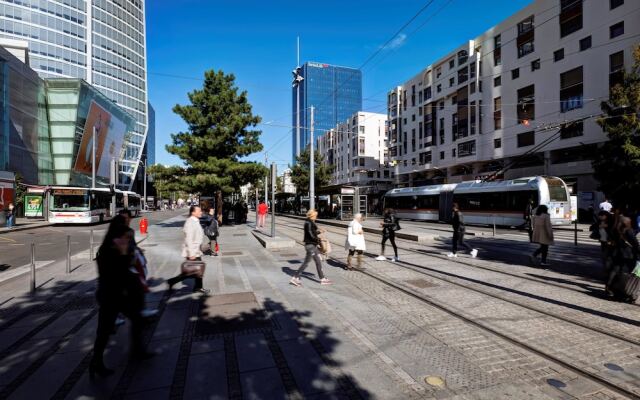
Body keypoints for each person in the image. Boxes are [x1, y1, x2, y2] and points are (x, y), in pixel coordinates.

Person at [91, 215, 151, 377]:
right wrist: (125, 255)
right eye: (125, 237)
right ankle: (96, 363)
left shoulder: (116, 248)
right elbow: (114, 273)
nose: (128, 240)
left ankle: (137, 350)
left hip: (120, 295)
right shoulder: (107, 250)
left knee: (136, 320)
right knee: (104, 331)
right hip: (110, 295)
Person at [167, 206, 210, 294]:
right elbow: (189, 239)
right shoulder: (190, 222)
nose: (201, 212)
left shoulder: (195, 221)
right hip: (192, 251)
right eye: (199, 211)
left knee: (196, 269)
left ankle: (197, 287)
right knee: (193, 270)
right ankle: (196, 287)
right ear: (193, 212)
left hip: (196, 250)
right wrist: (191, 253)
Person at [289, 209, 332, 286]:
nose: (316, 216)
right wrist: (319, 240)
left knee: (318, 261)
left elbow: (312, 233)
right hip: (310, 246)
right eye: (315, 215)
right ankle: (295, 278)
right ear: (312, 215)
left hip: (312, 245)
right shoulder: (308, 223)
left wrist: (319, 232)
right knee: (306, 263)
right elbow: (311, 235)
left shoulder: (310, 222)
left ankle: (322, 278)